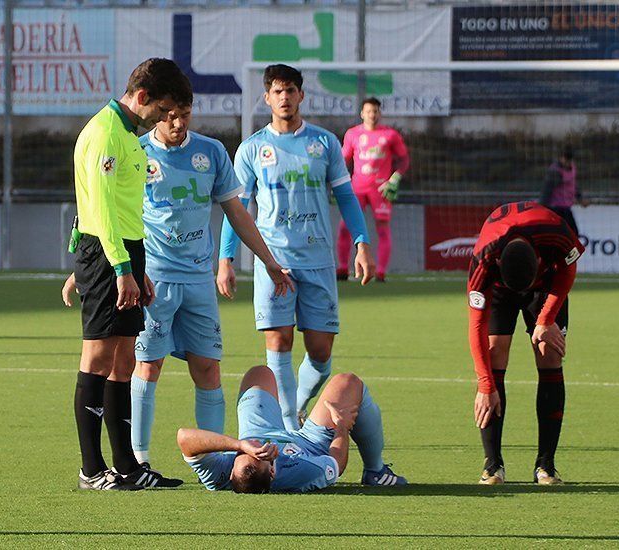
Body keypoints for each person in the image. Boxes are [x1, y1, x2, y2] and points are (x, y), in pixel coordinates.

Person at [63, 93, 295, 473]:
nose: (177, 123)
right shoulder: (133, 149)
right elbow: (105, 210)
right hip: (150, 277)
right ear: (155, 112)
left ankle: (214, 458)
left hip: (198, 280)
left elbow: (235, 212)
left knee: (208, 368)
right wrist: (85, 270)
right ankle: (137, 458)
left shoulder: (212, 152)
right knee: (145, 365)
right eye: (169, 115)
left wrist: (268, 262)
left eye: (184, 115)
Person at [217, 64, 375, 431]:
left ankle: (298, 405)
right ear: (266, 97)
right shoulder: (253, 148)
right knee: (280, 339)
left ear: (301, 95)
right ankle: (289, 426)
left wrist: (362, 243)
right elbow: (235, 208)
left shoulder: (323, 143)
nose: (284, 97)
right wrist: (225, 258)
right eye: (277, 91)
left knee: (321, 354)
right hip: (273, 261)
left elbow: (347, 197)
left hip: (318, 259)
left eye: (290, 90)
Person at [70, 58, 193, 491]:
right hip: (108, 255)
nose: (163, 120)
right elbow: (99, 210)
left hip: (126, 252)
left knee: (125, 360)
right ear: (142, 98)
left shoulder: (126, 134)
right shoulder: (105, 133)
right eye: (161, 110)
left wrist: (137, 268)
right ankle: (91, 469)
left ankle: (127, 466)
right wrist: (119, 269)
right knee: (98, 359)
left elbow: (115, 205)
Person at [466, 201, 585, 486]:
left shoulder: (555, 232)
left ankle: (546, 465)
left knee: (549, 354)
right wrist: (485, 385)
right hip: (500, 290)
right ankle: (493, 465)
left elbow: (568, 272)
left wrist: (545, 319)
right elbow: (477, 325)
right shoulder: (483, 260)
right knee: (495, 353)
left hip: (545, 288)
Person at [177, 365, 407, 492]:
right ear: (274, 472)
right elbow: (337, 463)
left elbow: (184, 437)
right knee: (348, 382)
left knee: (259, 373)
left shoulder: (219, 475)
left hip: (258, 430)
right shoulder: (303, 473)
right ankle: (376, 471)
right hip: (308, 444)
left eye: (244, 455)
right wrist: (341, 428)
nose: (255, 450)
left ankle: (291, 415)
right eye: (263, 455)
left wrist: (240, 445)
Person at [336, 97, 410, 282]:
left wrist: (394, 179)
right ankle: (343, 269)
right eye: (368, 111)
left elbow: (404, 160)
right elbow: (343, 160)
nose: (372, 115)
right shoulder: (352, 134)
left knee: (383, 229)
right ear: (362, 113)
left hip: (380, 190)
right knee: (345, 227)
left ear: (380, 113)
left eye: (375, 111)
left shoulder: (390, 134)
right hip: (357, 188)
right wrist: (338, 183)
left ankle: (381, 272)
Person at [539, 145, 588, 236]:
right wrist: (542, 207)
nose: (567, 162)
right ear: (561, 158)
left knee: (573, 234)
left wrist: (580, 198)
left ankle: (573, 251)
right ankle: (563, 250)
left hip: (565, 207)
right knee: (561, 234)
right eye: (565, 159)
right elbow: (547, 190)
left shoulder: (572, 168)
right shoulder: (555, 172)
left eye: (569, 160)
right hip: (555, 208)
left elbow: (573, 185)